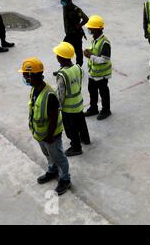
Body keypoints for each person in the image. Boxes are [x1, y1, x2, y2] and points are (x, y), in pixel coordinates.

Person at [18, 57, 71, 195]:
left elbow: (54, 118)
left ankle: (65, 179)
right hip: (40, 135)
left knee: (58, 156)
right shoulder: (34, 89)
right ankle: (52, 170)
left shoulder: (50, 96)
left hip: (50, 135)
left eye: (25, 75)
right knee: (48, 154)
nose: (24, 78)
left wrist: (49, 136)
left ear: (33, 75)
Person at [53, 42, 90, 157]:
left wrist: (57, 106)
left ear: (61, 58)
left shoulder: (62, 74)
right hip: (79, 103)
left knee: (71, 129)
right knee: (81, 123)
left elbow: (60, 93)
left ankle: (76, 147)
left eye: (58, 55)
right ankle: (85, 139)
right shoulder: (77, 68)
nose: (56, 56)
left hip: (68, 108)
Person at [83, 15, 112, 120]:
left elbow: (104, 59)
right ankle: (93, 108)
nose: (89, 30)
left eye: (90, 28)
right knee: (92, 90)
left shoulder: (105, 43)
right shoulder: (95, 39)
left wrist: (90, 56)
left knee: (103, 92)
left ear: (97, 29)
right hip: (93, 73)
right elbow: (95, 51)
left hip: (102, 75)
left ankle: (106, 110)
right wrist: (89, 51)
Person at [61, 0, 89, 67]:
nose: (61, 1)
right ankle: (65, 66)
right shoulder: (65, 7)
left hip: (76, 34)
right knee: (65, 51)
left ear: (69, 0)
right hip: (69, 33)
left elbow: (86, 19)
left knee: (76, 51)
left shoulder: (76, 10)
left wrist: (79, 25)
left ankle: (78, 67)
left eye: (63, 0)